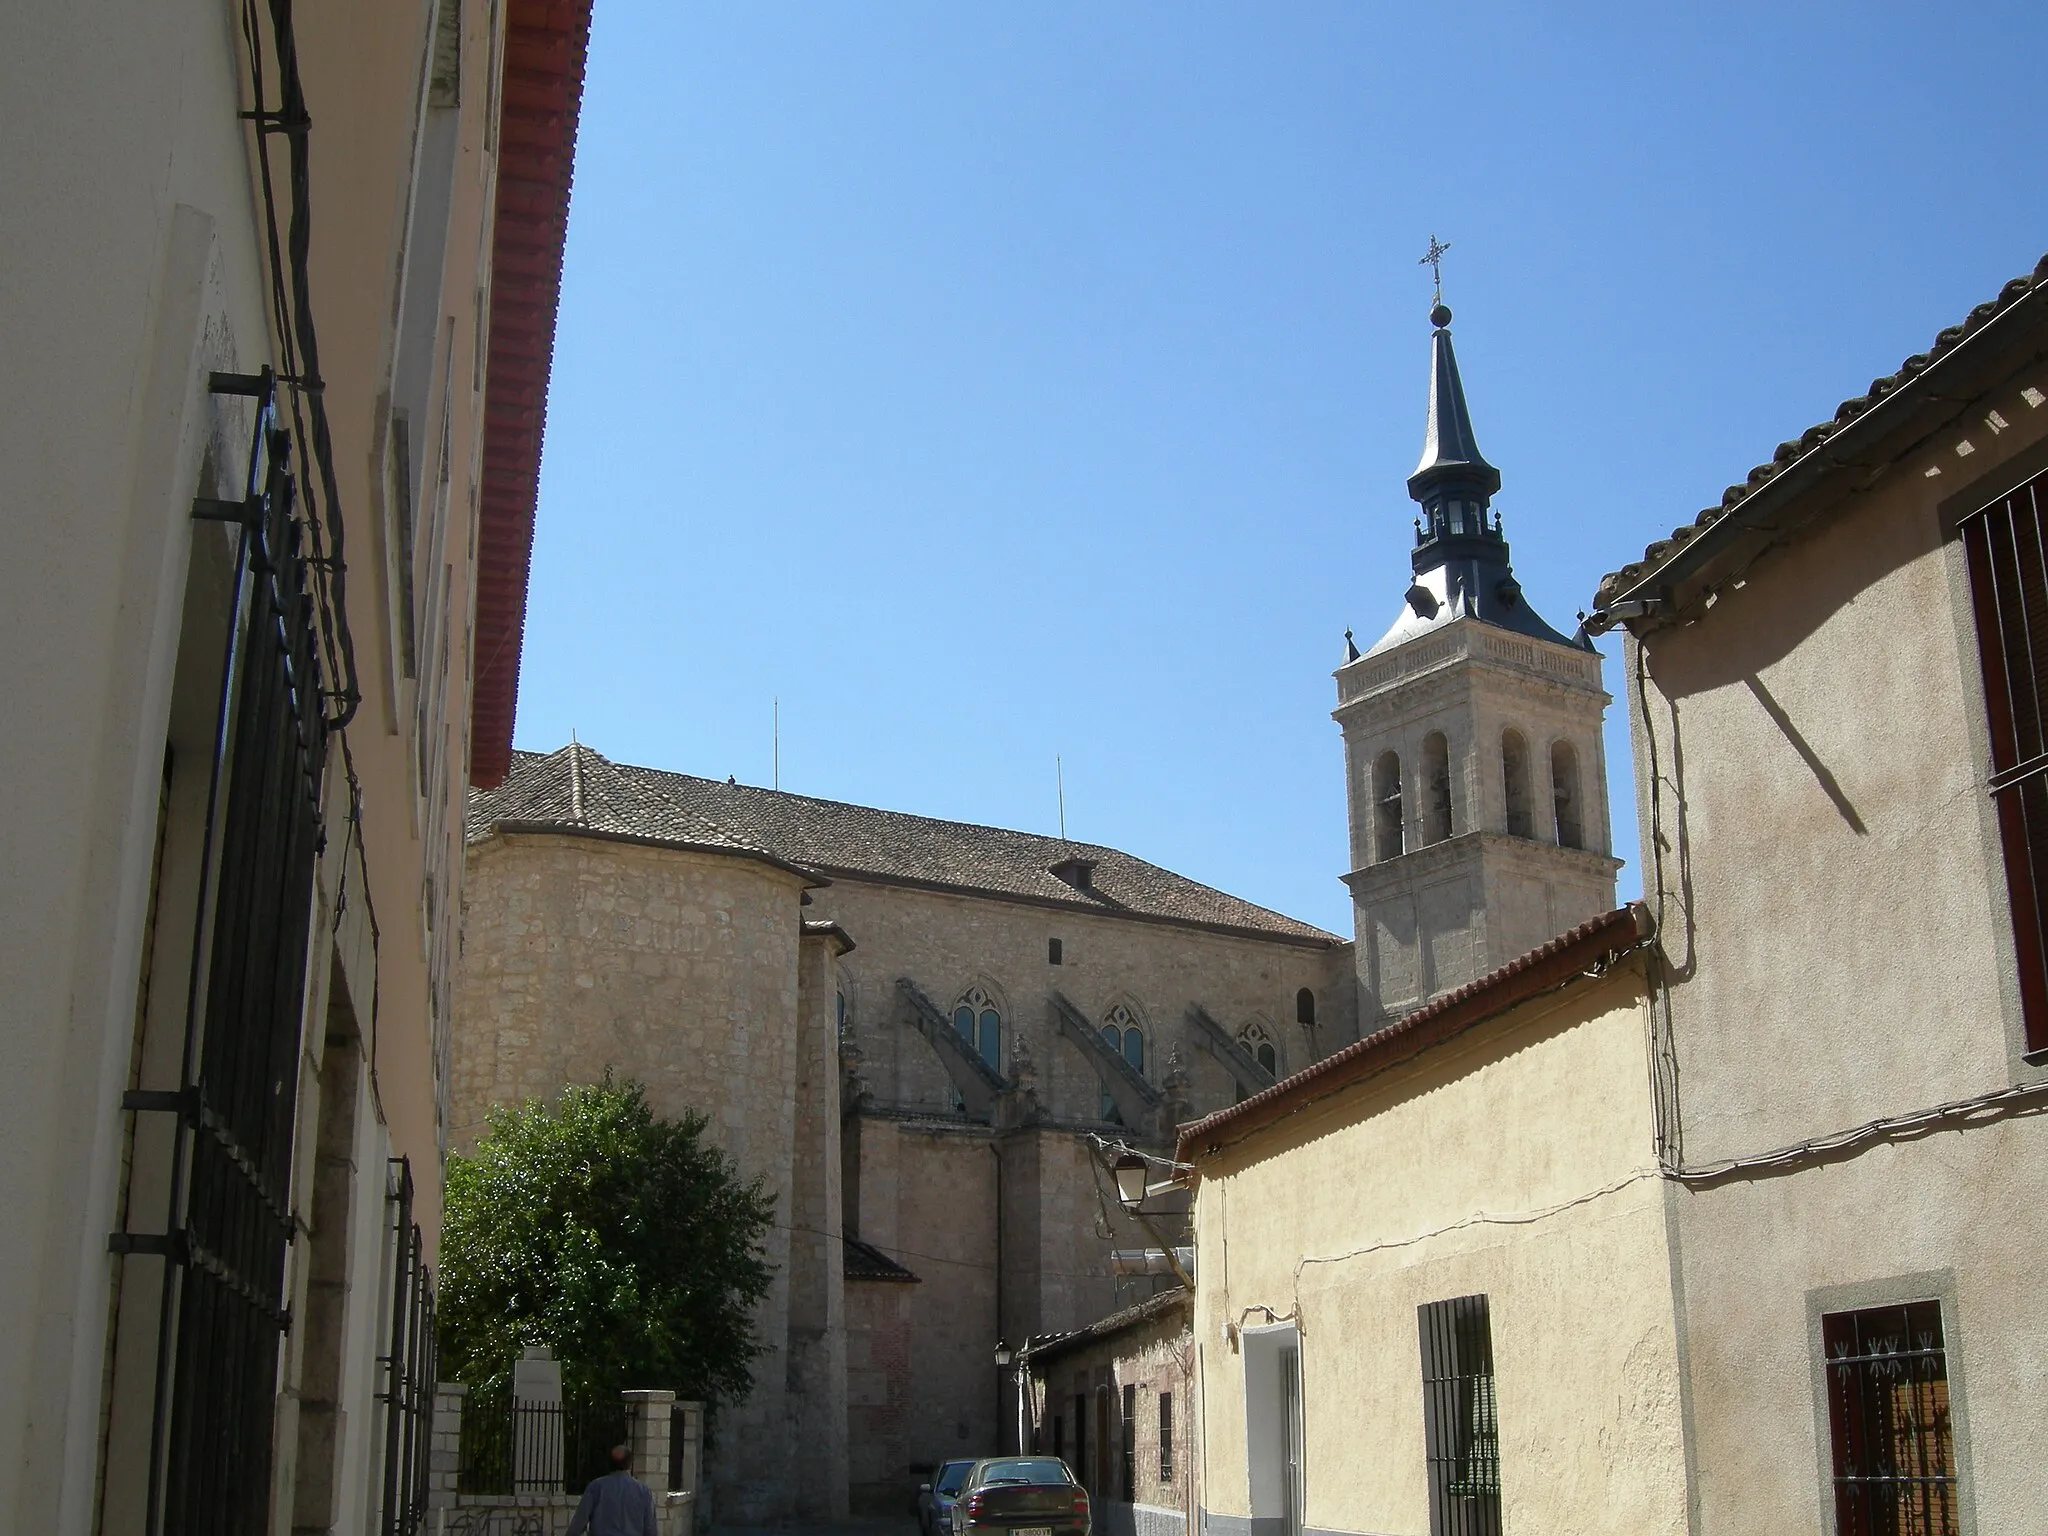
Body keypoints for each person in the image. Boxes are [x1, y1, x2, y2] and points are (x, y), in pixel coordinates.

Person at [565, 1444, 659, 1536]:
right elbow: (650, 1527)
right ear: (630, 1464)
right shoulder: (643, 1491)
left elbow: (579, 1521)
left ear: (609, 1463)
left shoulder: (596, 1487)